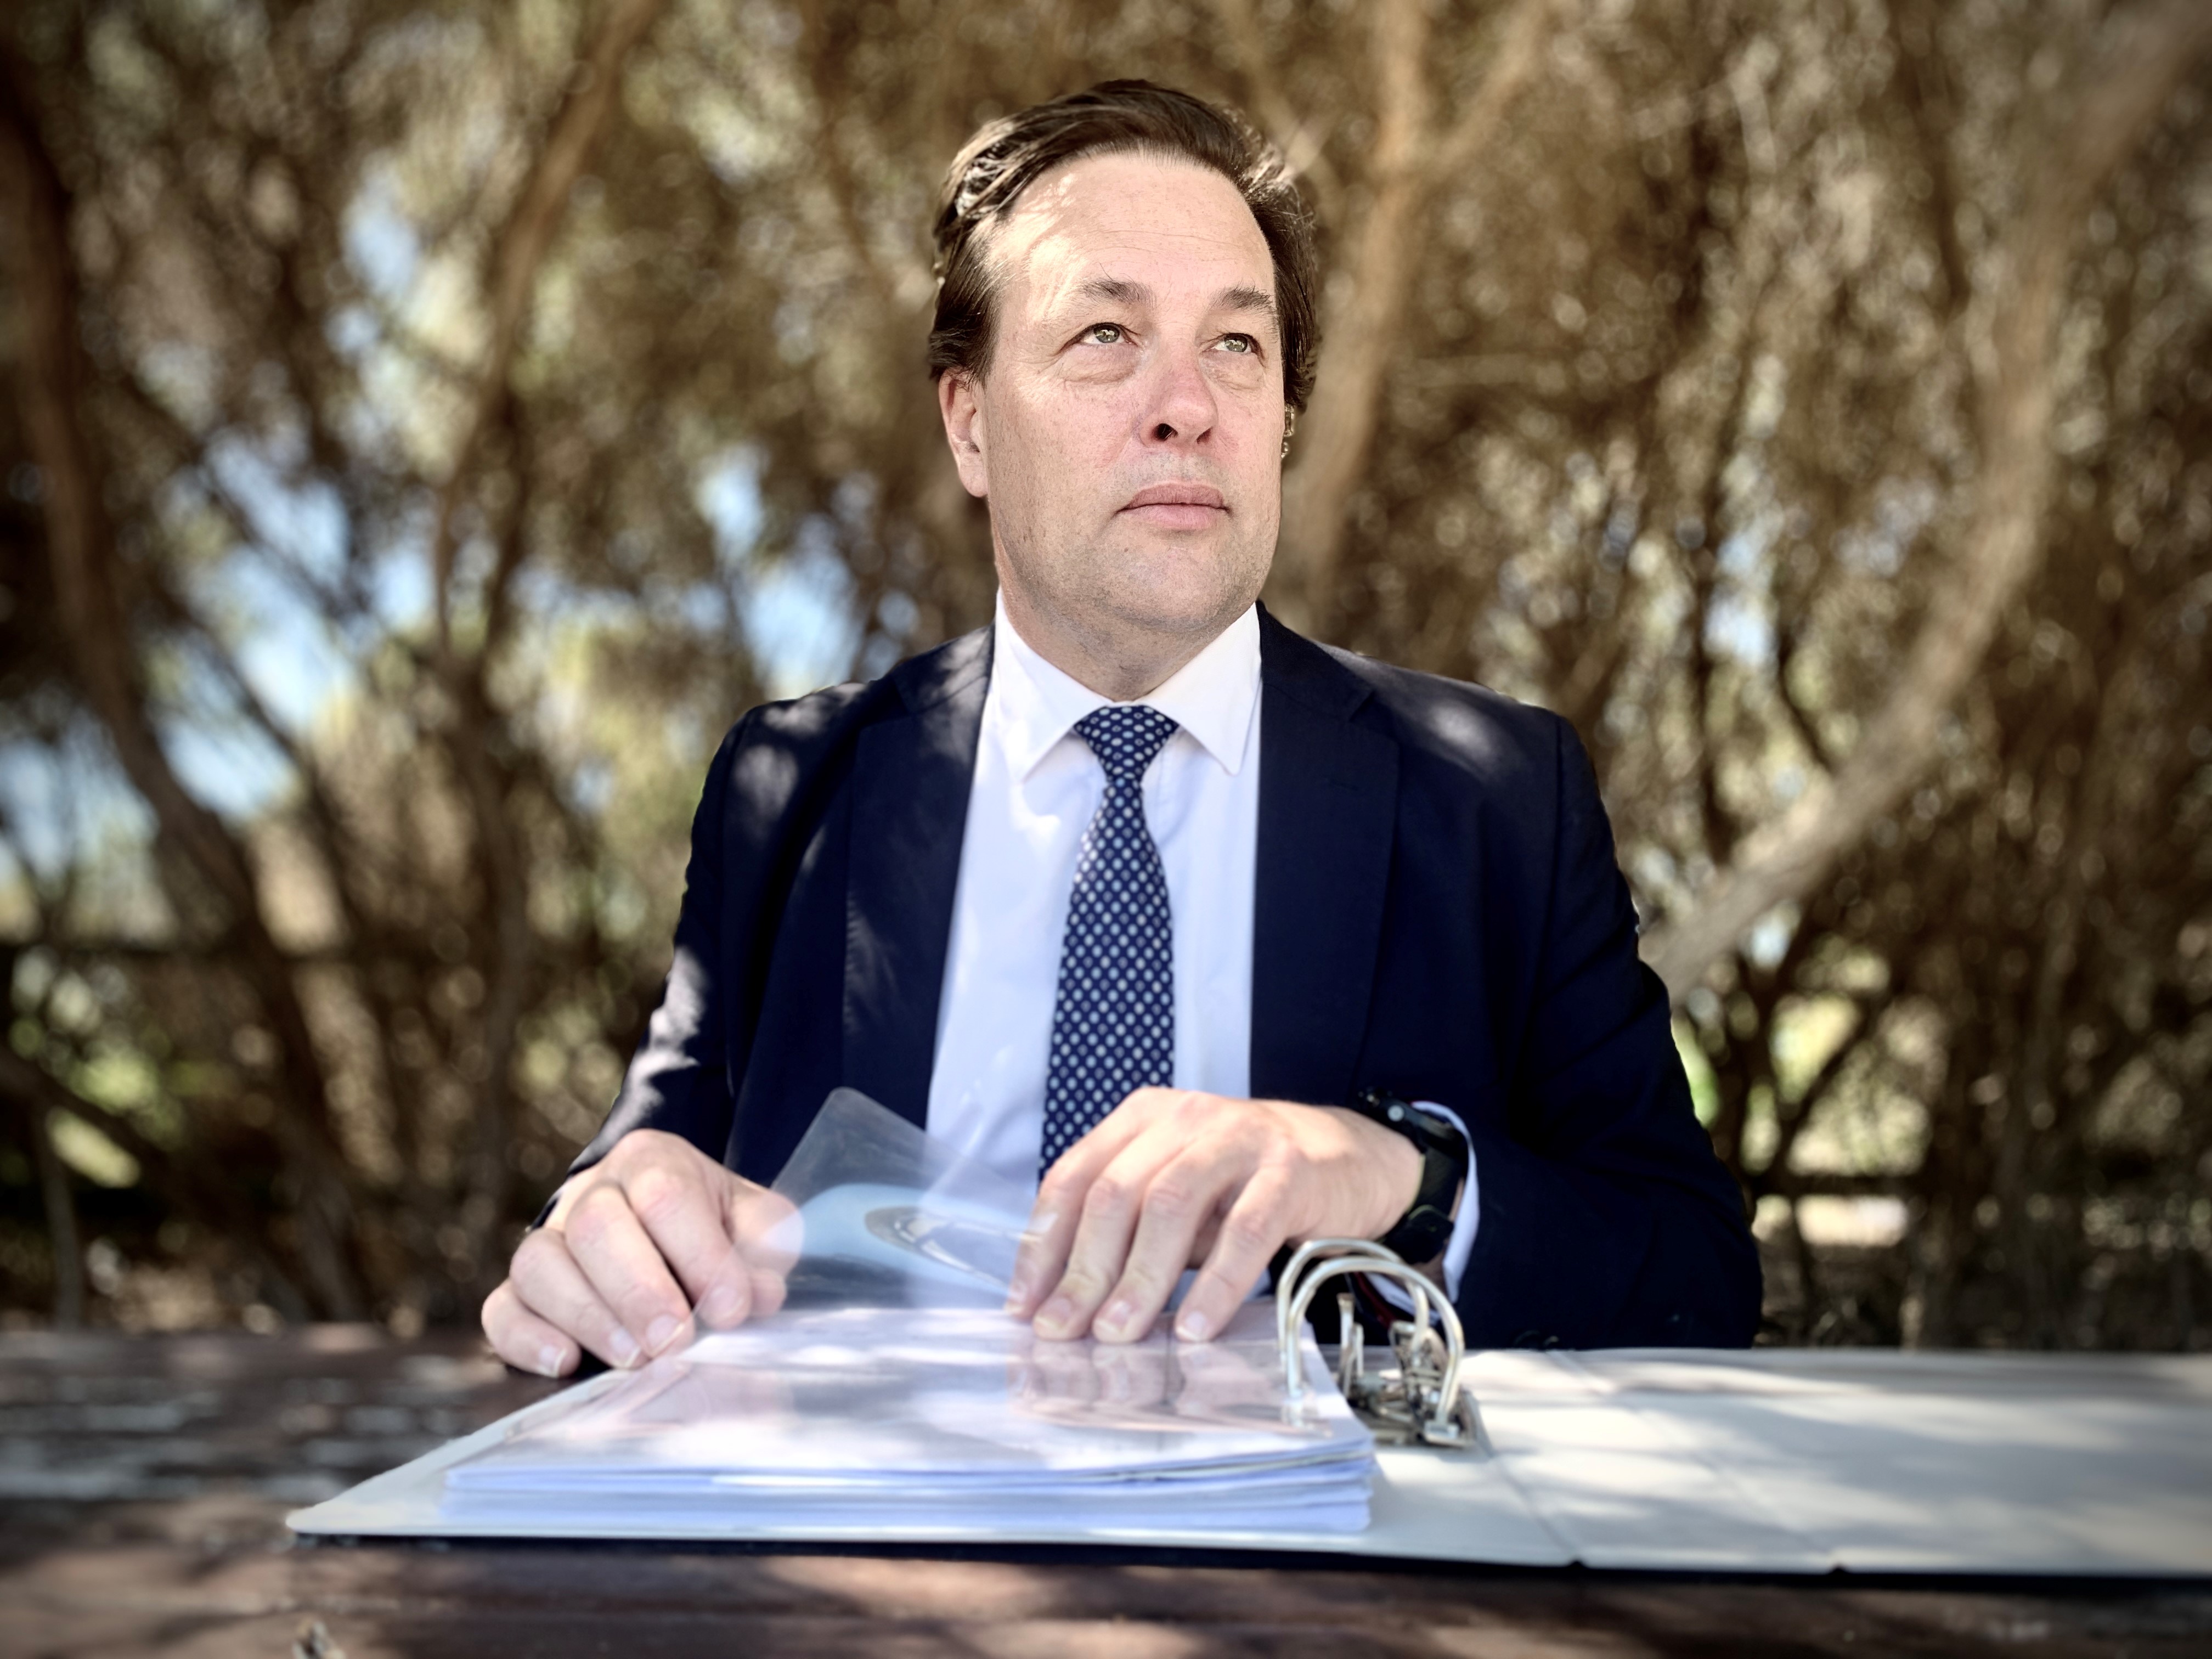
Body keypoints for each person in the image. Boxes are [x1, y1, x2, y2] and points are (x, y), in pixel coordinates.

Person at [482, 81, 1760, 1379]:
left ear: (1282, 422)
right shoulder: (794, 789)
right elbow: (642, 1180)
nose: (1186, 405)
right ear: (970, 422)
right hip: (877, 1549)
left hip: (1328, 1559)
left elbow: (1694, 1271)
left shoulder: (1500, 803)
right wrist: (607, 1224)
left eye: (1237, 347)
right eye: (1105, 333)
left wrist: (1401, 1177)